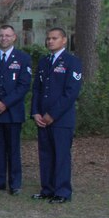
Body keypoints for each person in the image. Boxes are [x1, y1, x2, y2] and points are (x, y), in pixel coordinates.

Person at [31, 28, 83, 203]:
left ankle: (62, 192)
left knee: (61, 155)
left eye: (54, 38)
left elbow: (71, 92)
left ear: (64, 40)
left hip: (61, 119)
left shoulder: (72, 62)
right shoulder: (44, 61)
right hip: (42, 119)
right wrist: (35, 112)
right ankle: (47, 189)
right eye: (48, 38)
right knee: (45, 155)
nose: (50, 41)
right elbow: (37, 89)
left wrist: (52, 114)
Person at [0, 25, 32, 195]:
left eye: (7, 35)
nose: (4, 38)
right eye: (1, 35)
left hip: (12, 112)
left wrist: (5, 103)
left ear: (14, 38)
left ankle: (15, 183)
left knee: (13, 148)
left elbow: (24, 85)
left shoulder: (23, 58)